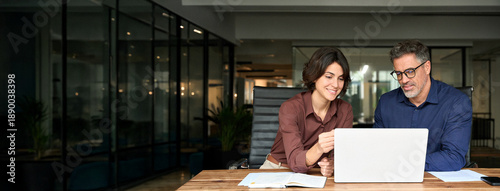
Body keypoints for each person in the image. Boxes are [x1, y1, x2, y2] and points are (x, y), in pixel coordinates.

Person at [373, 39, 472, 171]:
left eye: (409, 71)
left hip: (436, 184)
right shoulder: (386, 102)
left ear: (427, 67)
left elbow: (453, 157)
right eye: (398, 73)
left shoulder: (456, 103)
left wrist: (405, 165)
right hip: (393, 180)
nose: (403, 80)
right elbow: (375, 150)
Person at [259, 47, 353, 177]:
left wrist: (331, 164)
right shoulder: (290, 108)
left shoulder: (345, 110)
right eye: (329, 76)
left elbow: (343, 154)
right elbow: (295, 160)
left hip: (315, 173)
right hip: (278, 169)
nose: (336, 85)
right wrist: (319, 147)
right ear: (314, 76)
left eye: (341, 78)